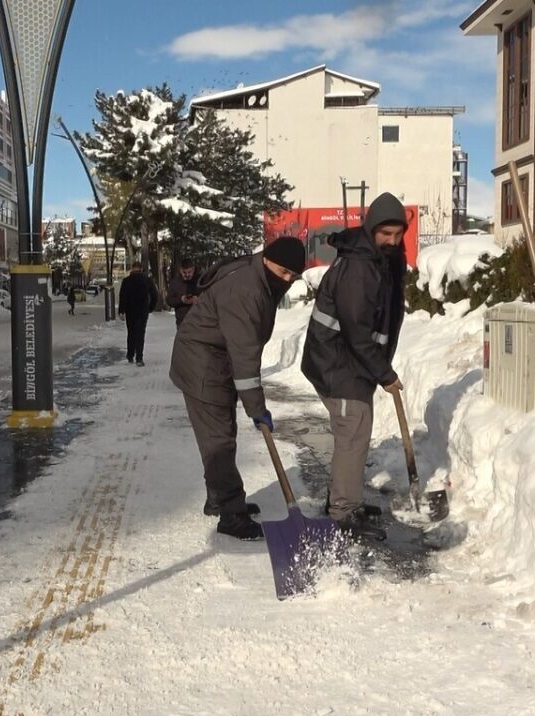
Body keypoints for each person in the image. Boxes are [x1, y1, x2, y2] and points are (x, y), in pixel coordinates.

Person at [169, 237, 306, 540]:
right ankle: (231, 515)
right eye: (283, 271)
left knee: (222, 433)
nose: (286, 280)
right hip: (202, 364)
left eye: (292, 276)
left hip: (216, 359)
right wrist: (257, 408)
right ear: (266, 259)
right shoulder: (246, 289)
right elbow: (245, 358)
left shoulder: (258, 276)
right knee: (218, 441)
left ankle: (219, 498)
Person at [301, 193, 409, 542]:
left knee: (354, 434)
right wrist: (385, 374)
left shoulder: (375, 259)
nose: (392, 241)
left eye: (398, 234)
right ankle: (343, 513)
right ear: (371, 229)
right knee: (353, 433)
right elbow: (356, 332)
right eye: (386, 234)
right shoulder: (360, 269)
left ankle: (343, 498)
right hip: (338, 363)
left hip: (348, 361)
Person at [117, 262, 157, 366]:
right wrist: (150, 308)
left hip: (130, 310)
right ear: (141, 269)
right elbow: (154, 295)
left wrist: (121, 311)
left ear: (132, 269)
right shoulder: (147, 280)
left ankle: (130, 355)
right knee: (140, 333)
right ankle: (139, 358)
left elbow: (122, 296)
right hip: (142, 310)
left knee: (131, 332)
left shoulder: (126, 281)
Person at [166, 258, 199, 327]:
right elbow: (169, 300)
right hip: (182, 321)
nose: (187, 275)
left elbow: (208, 297)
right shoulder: (175, 282)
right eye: (184, 272)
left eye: (189, 272)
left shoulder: (199, 281)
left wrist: (198, 299)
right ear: (181, 270)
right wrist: (181, 300)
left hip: (198, 320)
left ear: (193, 270)